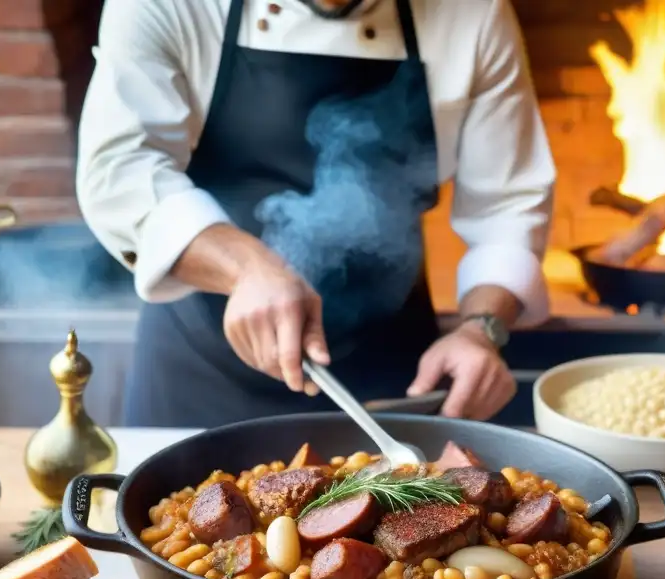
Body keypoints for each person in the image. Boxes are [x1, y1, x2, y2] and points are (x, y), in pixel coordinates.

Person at [77, 0, 554, 428]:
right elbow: (121, 169)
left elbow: (507, 205)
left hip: (392, 386)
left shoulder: (473, 12)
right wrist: (248, 269)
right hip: (199, 381)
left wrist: (481, 329)